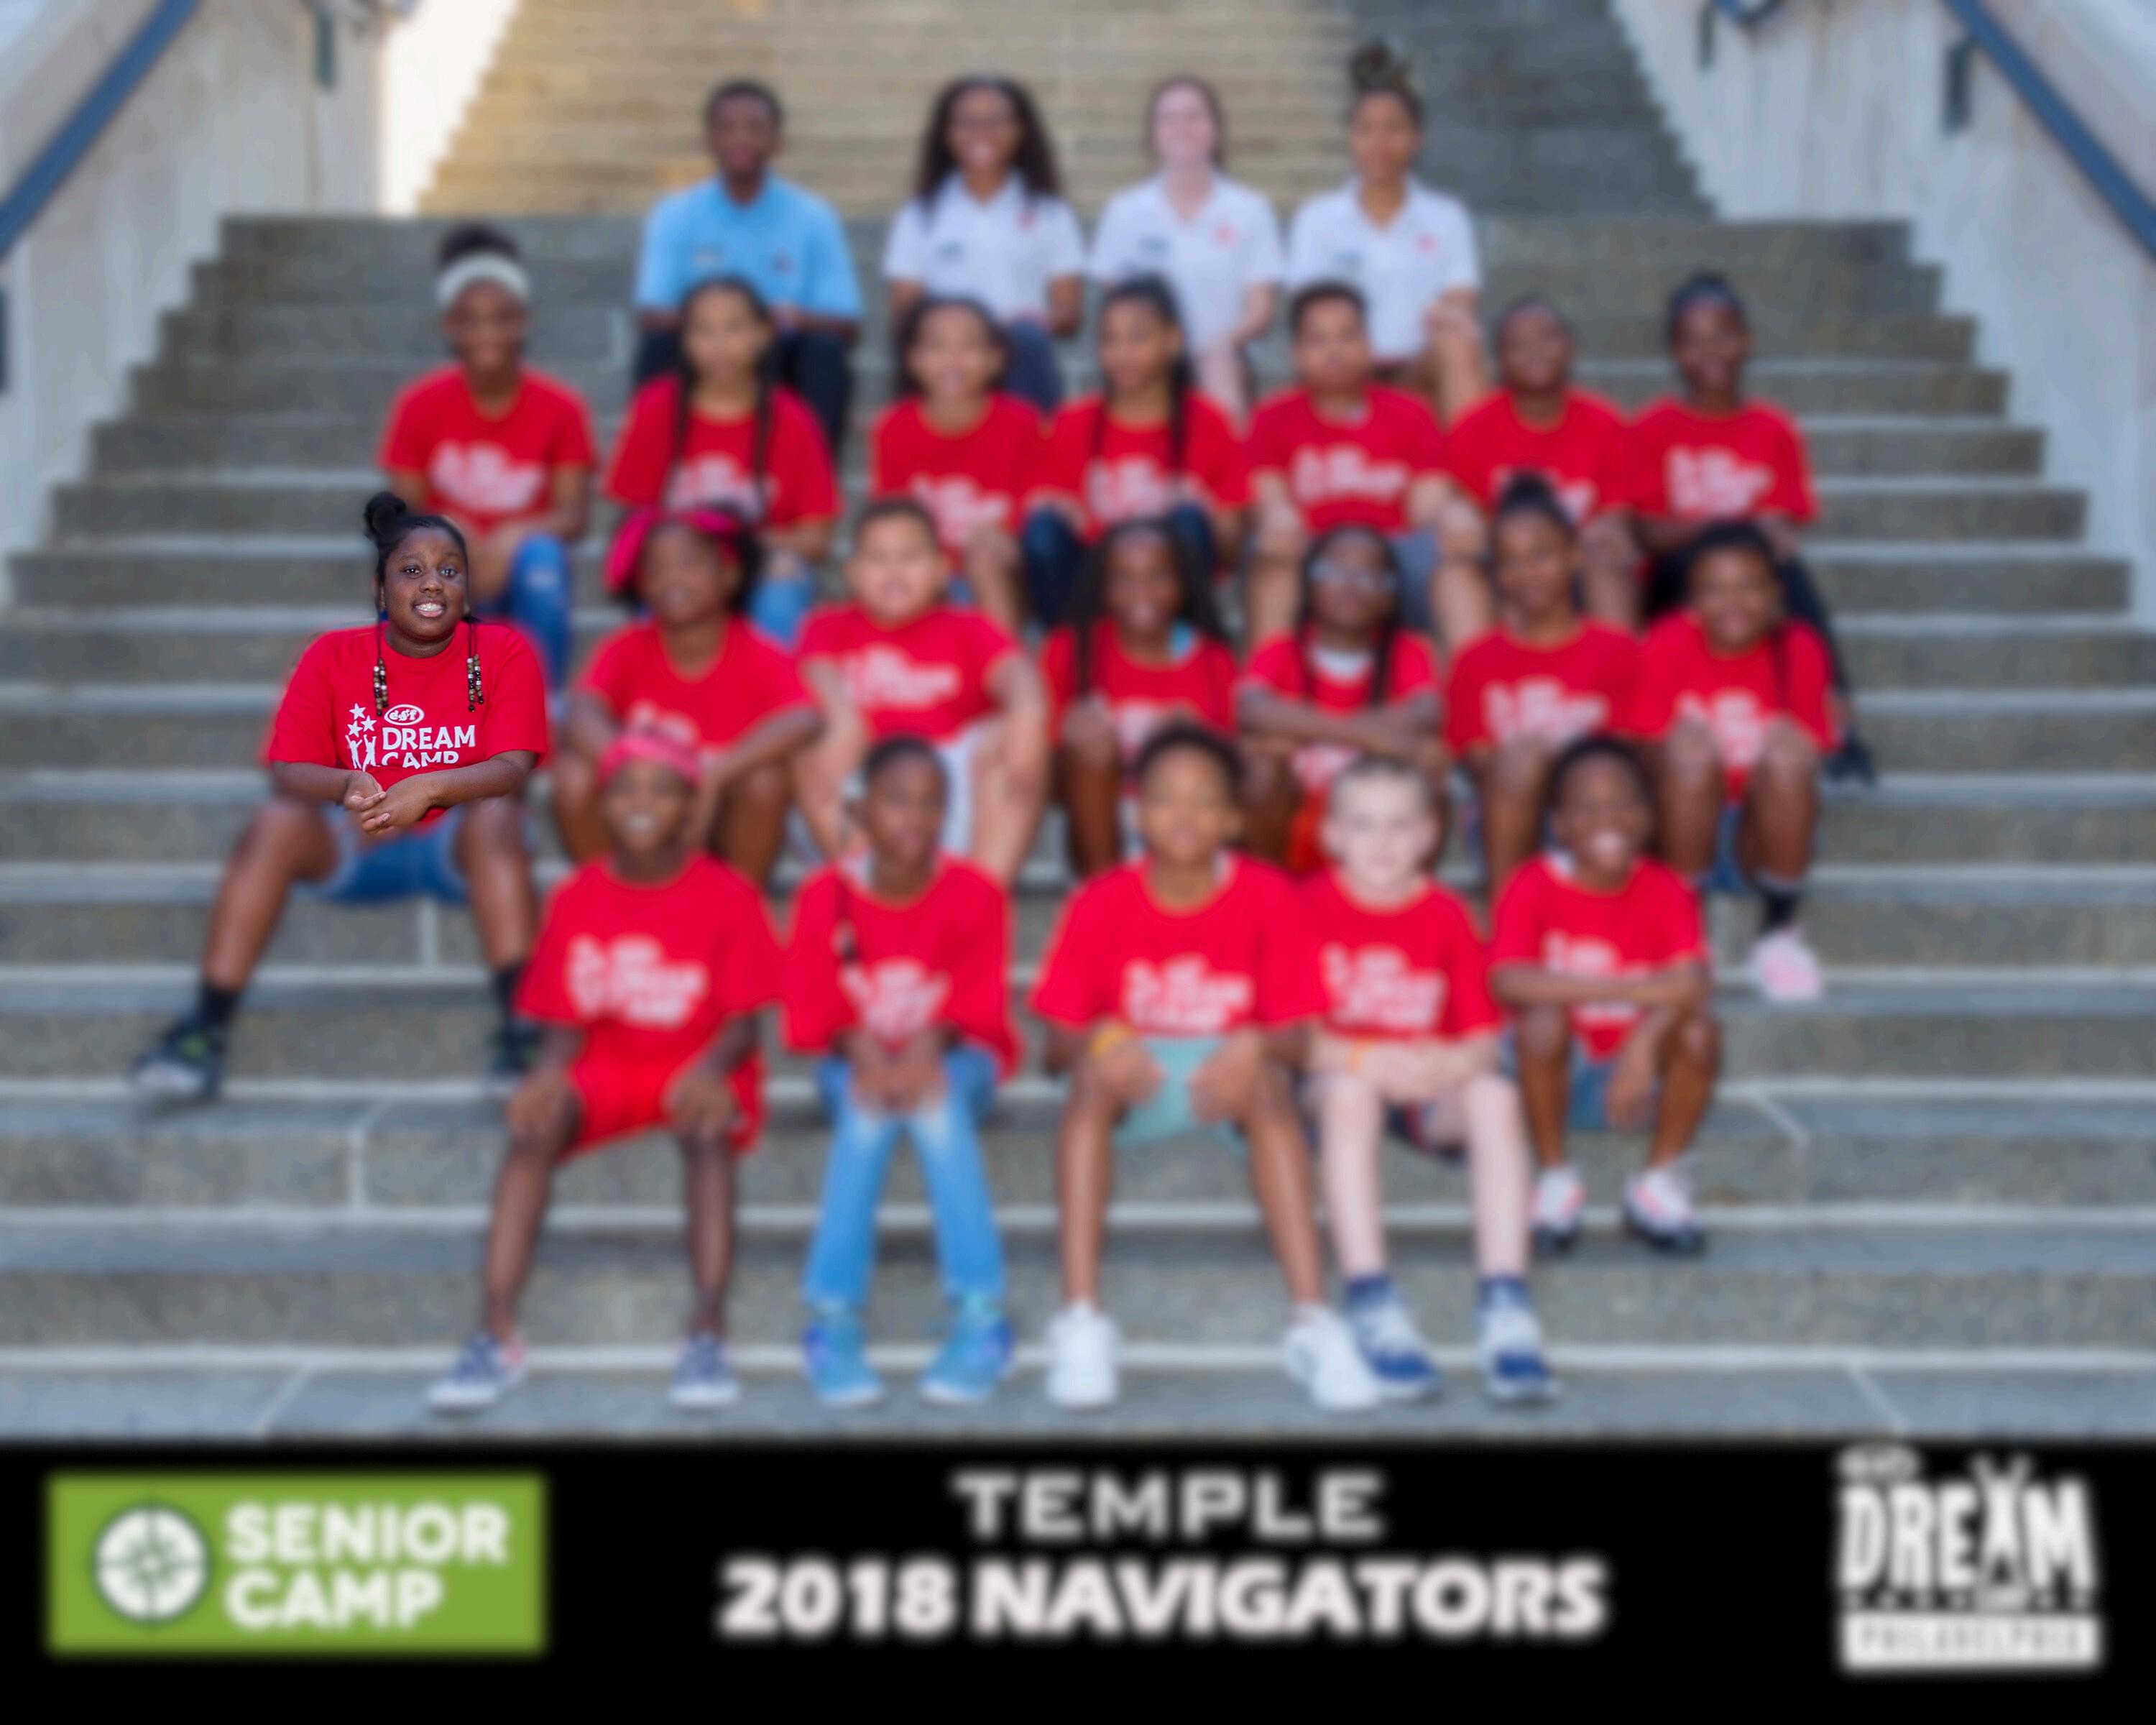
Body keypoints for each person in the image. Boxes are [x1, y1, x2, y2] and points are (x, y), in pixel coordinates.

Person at [130, 494, 548, 1100]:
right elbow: (288, 769)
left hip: (458, 843)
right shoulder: (330, 654)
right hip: (354, 838)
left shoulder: (505, 652)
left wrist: (428, 791)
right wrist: (348, 787)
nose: (432, 582)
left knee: (499, 820)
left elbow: (514, 766)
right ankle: (203, 1030)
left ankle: (522, 1035)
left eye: (450, 569)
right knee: (275, 824)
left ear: (468, 590)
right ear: (380, 590)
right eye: (411, 570)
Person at [427, 730, 782, 1412]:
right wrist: (545, 1075)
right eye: (625, 790)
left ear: (691, 809)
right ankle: (495, 1333)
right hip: (608, 1063)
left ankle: (708, 1329)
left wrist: (711, 1071)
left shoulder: (729, 894)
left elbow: (744, 1023)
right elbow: (563, 1022)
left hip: (699, 1058)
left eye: (662, 791)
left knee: (708, 1134)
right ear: (602, 805)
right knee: (533, 1128)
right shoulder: (576, 897)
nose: (641, 804)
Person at [1030, 723, 1381, 1413]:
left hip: (1232, 1081)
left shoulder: (1270, 894)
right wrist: (1101, 1036)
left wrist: (1254, 1042)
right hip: (1136, 1084)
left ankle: (1312, 1319)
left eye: (1204, 800)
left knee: (1271, 1082)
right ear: (1137, 814)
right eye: (1164, 797)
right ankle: (1081, 1319)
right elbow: (1052, 1050)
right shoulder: (1100, 900)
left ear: (1233, 821)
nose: (1183, 814)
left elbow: (1300, 1040)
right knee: (1089, 1079)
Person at [1299, 757, 1554, 1404]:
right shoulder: (1304, 907)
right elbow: (1285, 1034)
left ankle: (1505, 1303)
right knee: (1351, 1096)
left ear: (1428, 835)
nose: (1381, 842)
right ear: (1331, 835)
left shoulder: (1447, 913)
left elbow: (1483, 1040)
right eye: (1362, 825)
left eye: (1399, 825)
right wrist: (1358, 1057)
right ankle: (1371, 1298)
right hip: (1331, 1083)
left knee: (1496, 1096)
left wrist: (1452, 1065)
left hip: (1422, 1083)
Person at [783, 738, 1020, 1407]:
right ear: (859, 810)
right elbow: (809, 1010)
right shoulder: (823, 896)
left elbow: (978, 1006)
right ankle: (833, 1322)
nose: (914, 816)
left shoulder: (976, 894)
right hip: (851, 1064)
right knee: (868, 1105)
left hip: (959, 1062)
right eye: (895, 800)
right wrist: (866, 1051)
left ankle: (982, 1316)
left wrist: (924, 1047)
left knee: (932, 1100)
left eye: (931, 803)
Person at [1630, 272, 1873, 783]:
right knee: (1712, 563)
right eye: (1693, 340)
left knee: (1787, 573)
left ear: (1747, 341)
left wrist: (1762, 533)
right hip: (1674, 580)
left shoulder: (1774, 428)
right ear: (1675, 353)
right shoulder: (1653, 427)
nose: (1709, 350)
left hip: (1748, 575)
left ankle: (1839, 723)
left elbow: (1782, 524)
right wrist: (1729, 523)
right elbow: (1648, 534)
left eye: (1722, 335)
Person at [1489, 737, 1719, 1256]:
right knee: (1543, 1018)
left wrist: (1643, 1047)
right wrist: (1633, 989)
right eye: (1587, 808)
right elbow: (1509, 980)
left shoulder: (1666, 888)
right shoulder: (1533, 883)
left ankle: (1655, 1184)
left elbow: (1692, 982)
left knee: (1700, 1033)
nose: (1607, 819)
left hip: (1633, 1079)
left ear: (1647, 817)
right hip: (1552, 1074)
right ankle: (1555, 1179)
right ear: (1560, 824)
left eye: (1622, 804)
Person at [379, 224, 596, 689]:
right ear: (450, 326)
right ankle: (417, 702)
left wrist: (513, 535)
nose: (487, 333)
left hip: (521, 568)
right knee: (415, 556)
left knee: (542, 559)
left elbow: (574, 515)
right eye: (471, 320)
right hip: (447, 565)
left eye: (501, 318)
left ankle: (543, 705)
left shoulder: (561, 407)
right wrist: (450, 532)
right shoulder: (418, 404)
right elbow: (400, 510)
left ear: (523, 321)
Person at [555, 509, 821, 885]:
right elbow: (582, 710)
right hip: (641, 817)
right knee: (573, 775)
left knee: (765, 781)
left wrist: (715, 775)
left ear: (728, 574)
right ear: (642, 584)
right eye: (657, 569)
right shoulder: (626, 648)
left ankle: (737, 902)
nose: (673, 578)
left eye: (689, 564)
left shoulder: (758, 651)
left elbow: (803, 718)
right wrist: (634, 770)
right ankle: (607, 895)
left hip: (721, 818)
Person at [1630, 520, 1836, 1004]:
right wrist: (1679, 753)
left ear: (1775, 593)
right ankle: (1685, 939)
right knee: (1690, 756)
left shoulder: (1798, 647)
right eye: (1715, 590)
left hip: (1758, 831)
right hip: (1681, 821)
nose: (1733, 603)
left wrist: (1790, 747)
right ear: (1693, 600)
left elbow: (1813, 756)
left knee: (1788, 756)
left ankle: (1777, 936)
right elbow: (1640, 753)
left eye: (1749, 587)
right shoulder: (1667, 641)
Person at [794, 498, 1049, 883]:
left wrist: (1028, 713)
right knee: (809, 739)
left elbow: (1018, 677)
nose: (894, 573)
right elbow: (817, 675)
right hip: (863, 779)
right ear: (853, 573)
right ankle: (873, 890)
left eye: (910, 558)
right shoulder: (827, 626)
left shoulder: (969, 626)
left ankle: (981, 896)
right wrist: (844, 720)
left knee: (1010, 733)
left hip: (951, 782)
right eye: (878, 559)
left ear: (941, 570)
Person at [1245, 282, 1486, 648]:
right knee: (1272, 548)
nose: (1335, 351)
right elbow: (1271, 503)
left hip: (1394, 557)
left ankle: (1476, 679)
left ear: (1369, 346)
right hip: (1310, 554)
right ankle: (1268, 676)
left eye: (1347, 337)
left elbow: (1427, 508)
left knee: (1457, 557)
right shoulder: (1271, 418)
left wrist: (1453, 513)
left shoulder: (1412, 414)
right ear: (1297, 355)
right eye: (1319, 340)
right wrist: (1278, 519)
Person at [605, 275, 839, 648]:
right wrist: (696, 556)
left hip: (762, 564)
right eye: (704, 330)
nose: (720, 344)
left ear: (763, 333)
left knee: (783, 583)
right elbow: (633, 520)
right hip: (679, 562)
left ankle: (773, 683)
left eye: (734, 328)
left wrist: (741, 546)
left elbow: (817, 540)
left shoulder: (793, 419)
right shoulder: (656, 408)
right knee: (668, 581)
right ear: (684, 340)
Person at [631, 80, 861, 458]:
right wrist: (716, 326)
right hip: (702, 349)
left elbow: (846, 322)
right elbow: (652, 312)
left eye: (755, 128)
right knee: (659, 345)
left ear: (778, 141)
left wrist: (783, 320)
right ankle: (658, 467)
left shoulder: (814, 215)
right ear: (709, 140)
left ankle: (812, 473)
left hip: (782, 347)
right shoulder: (674, 213)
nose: (741, 138)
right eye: (727, 128)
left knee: (825, 351)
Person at [1446, 477, 1639, 893]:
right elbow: (1481, 766)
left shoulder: (1617, 651)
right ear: (1496, 575)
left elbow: (1625, 756)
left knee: (1599, 785)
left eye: (1541, 555)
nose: (1527, 572)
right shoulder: (1475, 661)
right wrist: (1536, 766)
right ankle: (1507, 913)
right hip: (1510, 815)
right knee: (1522, 761)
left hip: (1597, 815)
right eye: (1510, 562)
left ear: (1573, 557)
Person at [1022, 277, 1248, 626]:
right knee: (1043, 531)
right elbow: (1045, 522)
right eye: (1109, 339)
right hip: (1092, 580)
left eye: (1138, 338)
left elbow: (1230, 547)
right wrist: (1061, 510)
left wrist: (1204, 511)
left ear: (1173, 340)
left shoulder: (1209, 422)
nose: (1122, 352)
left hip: (1170, 583)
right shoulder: (1071, 422)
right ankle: (1069, 645)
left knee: (1188, 522)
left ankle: (1183, 643)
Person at [1286, 43, 1487, 426]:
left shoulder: (1446, 217)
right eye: (1366, 129)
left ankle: (1472, 460)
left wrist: (1441, 318)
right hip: (1343, 369)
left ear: (1417, 139)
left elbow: (1460, 304)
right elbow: (1307, 312)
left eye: (1394, 128)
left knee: (1458, 342)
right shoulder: (1317, 218)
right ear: (1350, 138)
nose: (1378, 143)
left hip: (1416, 369)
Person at [1239, 525, 1446, 873]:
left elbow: (1425, 713)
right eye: (1334, 572)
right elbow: (1252, 711)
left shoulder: (1409, 651)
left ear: (1390, 598)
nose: (1351, 585)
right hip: (1293, 819)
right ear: (1309, 585)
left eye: (1369, 577)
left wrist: (1298, 731)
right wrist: (1371, 738)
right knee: (1259, 768)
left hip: (1376, 823)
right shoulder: (1281, 650)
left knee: (1430, 759)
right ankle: (1268, 892)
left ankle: (1407, 895)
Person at [1041, 518, 1240, 877]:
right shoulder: (1070, 649)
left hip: (1187, 817)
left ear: (1182, 584)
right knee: (1093, 743)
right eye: (1124, 578)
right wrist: (1068, 747)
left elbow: (1233, 771)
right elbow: (1044, 775)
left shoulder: (1214, 660)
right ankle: (1108, 898)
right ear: (1103, 587)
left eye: (1159, 576)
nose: (1141, 591)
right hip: (1099, 820)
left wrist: (1194, 742)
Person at [1088, 75, 1284, 423]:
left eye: (1194, 116)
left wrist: (1219, 345)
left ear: (1216, 129)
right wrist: (1160, 347)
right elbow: (1115, 300)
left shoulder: (1250, 209)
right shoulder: (1125, 210)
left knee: (1217, 365)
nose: (1182, 127)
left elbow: (1260, 311)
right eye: (1169, 118)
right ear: (1153, 134)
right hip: (1148, 356)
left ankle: (1228, 455)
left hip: (1222, 356)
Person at [884, 76, 1086, 414]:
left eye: (996, 121)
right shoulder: (920, 214)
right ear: (946, 133)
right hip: (947, 354)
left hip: (1017, 349)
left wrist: (1034, 321)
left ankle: (1030, 440)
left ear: (1020, 130)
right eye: (967, 122)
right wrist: (953, 336)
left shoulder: (1050, 212)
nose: (982, 132)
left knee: (1027, 341)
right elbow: (904, 312)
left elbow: (1070, 313)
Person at [1445, 298, 1639, 627]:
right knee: (1458, 572)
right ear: (1499, 360)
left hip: (1578, 564)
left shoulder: (1606, 422)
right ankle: (1477, 661)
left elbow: (1614, 516)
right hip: (1503, 568)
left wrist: (1598, 536)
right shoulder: (1474, 427)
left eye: (1546, 338)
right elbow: (1466, 516)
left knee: (1607, 561)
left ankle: (1615, 658)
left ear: (1571, 348)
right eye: (1518, 345)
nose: (1534, 351)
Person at [870, 294, 1039, 630]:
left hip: (1005, 573)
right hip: (929, 574)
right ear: (913, 359)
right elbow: (890, 515)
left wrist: (999, 544)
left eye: (969, 347)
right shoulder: (893, 428)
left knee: (984, 556)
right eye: (937, 346)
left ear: (995, 359)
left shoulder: (1023, 423)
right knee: (909, 564)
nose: (953, 359)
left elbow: (1030, 515)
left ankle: (1002, 657)